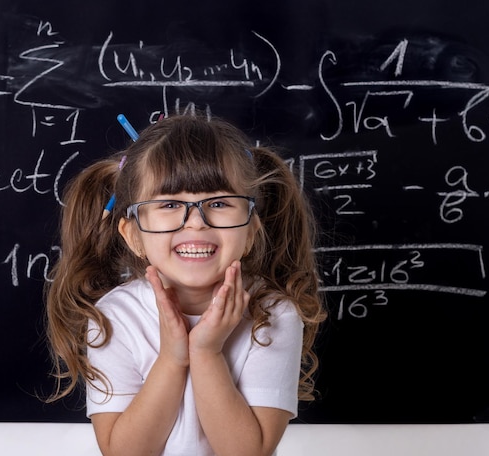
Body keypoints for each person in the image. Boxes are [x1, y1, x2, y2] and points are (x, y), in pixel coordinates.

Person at [45, 113, 326, 455]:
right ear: (133, 235)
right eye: (169, 204)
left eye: (219, 203)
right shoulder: (113, 316)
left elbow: (247, 453)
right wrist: (172, 359)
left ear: (251, 231)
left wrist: (206, 352)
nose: (195, 223)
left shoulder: (274, 314)